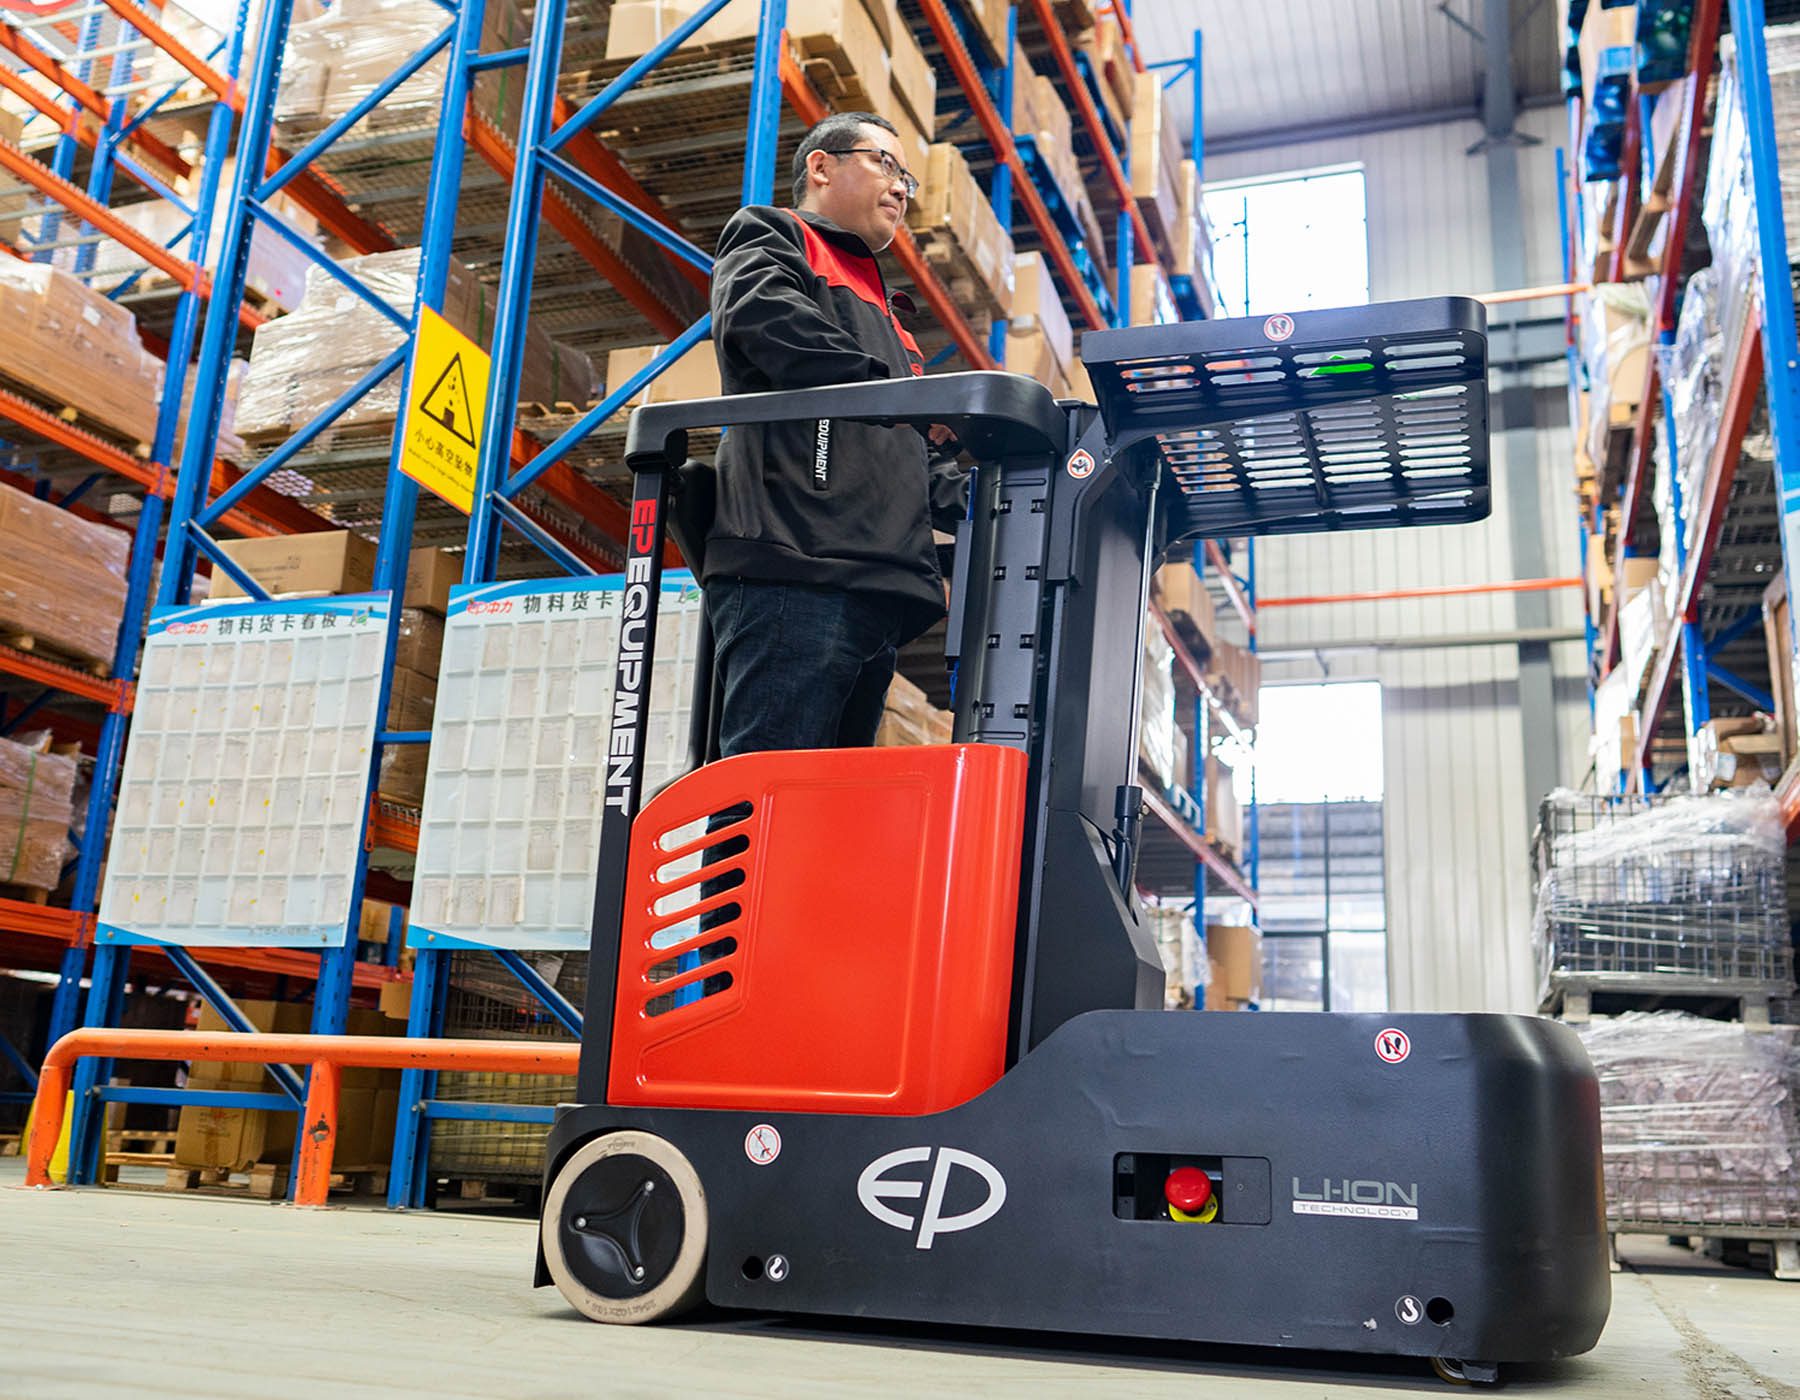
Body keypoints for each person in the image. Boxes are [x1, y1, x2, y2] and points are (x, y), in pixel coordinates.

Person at [704, 111, 967, 758]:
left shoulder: (890, 323)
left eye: (908, 177)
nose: (902, 188)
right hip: (800, 565)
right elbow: (764, 320)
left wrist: (1009, 497)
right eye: (886, 164)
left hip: (877, 591)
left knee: (830, 810)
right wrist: (894, 390)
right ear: (821, 167)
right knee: (766, 793)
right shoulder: (775, 235)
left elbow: (917, 457)